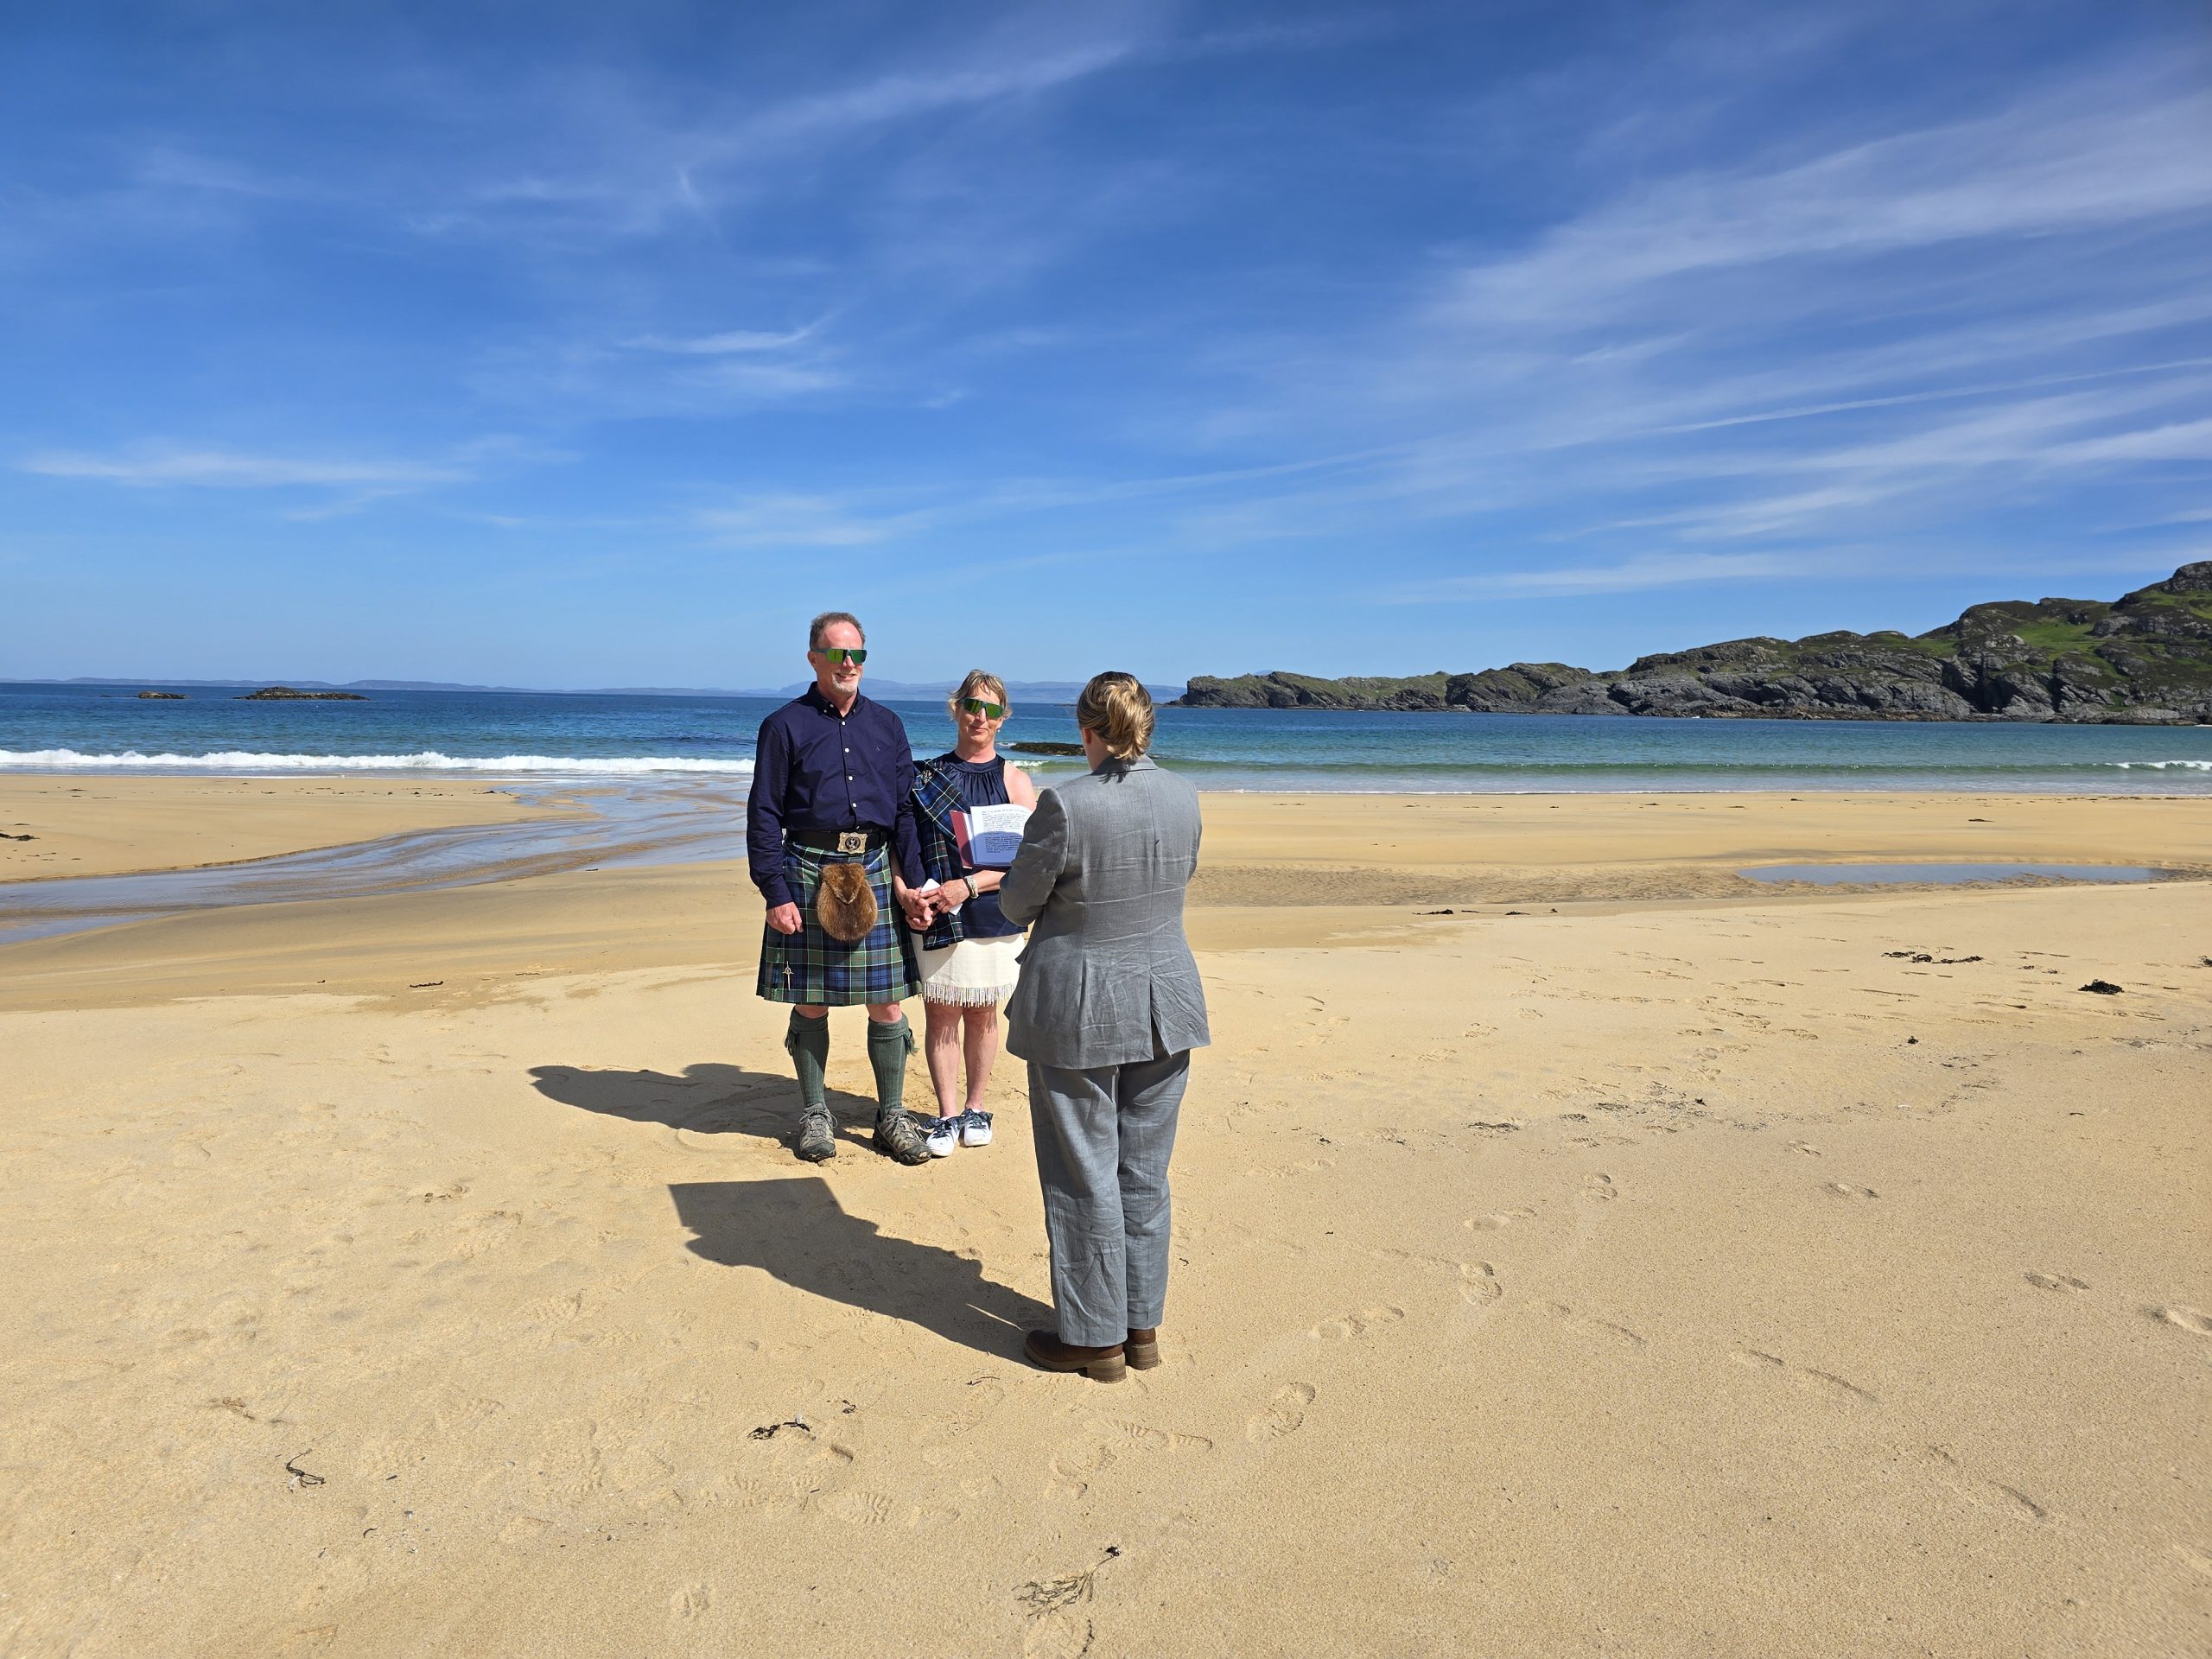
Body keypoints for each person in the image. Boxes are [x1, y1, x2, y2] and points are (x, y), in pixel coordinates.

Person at [996, 672, 1208, 1382]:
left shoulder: (1064, 801)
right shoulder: (1185, 796)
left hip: (1080, 1006)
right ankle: (1140, 1327)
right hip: (1167, 1000)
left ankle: (1094, 1339)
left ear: (1088, 730)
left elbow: (1019, 903)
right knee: (1144, 1173)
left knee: (1084, 1173)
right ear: (1146, 728)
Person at [746, 611, 935, 1166]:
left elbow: (904, 812)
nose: (847, 663)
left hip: (873, 865)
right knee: (810, 1001)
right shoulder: (784, 726)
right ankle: (813, 1112)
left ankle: (892, 1116)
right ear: (814, 659)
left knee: (887, 1001)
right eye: (835, 653)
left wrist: (914, 883)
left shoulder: (888, 725)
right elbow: (763, 813)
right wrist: (774, 890)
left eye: (856, 653)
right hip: (806, 867)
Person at [907, 671, 1039, 1158]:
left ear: (1002, 717)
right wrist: (911, 894)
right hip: (937, 908)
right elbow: (907, 846)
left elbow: (1030, 857)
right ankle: (945, 1114)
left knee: (984, 1015)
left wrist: (969, 884)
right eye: (970, 705)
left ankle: (976, 1107)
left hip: (993, 911)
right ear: (955, 710)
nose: (978, 715)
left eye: (989, 707)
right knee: (940, 1014)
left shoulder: (1015, 780)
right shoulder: (924, 775)